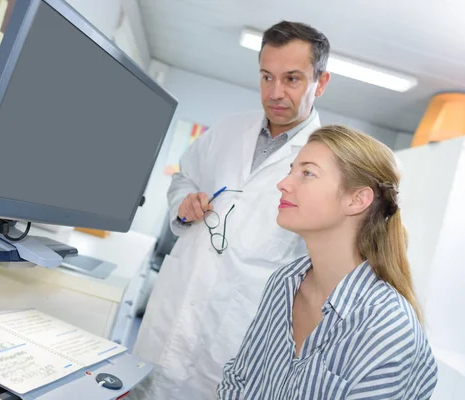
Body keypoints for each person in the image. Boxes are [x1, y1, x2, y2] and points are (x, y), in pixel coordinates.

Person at [130, 21, 331, 399]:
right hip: (169, 319)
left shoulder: (325, 162)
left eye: (292, 79)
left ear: (320, 83)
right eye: (266, 77)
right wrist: (184, 203)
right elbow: (183, 178)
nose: (275, 92)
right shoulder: (227, 131)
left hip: (231, 342)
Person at [217, 125, 438, 399]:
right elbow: (239, 380)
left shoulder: (388, 328)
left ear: (357, 200)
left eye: (307, 173)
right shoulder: (284, 283)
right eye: (291, 170)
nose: (283, 183)